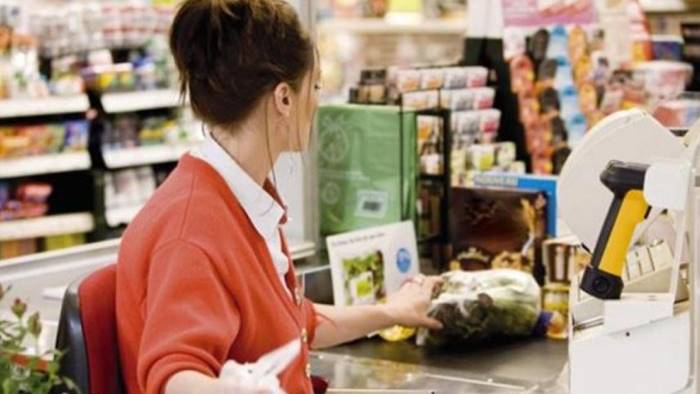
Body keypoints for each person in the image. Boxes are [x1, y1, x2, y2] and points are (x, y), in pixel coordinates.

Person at [115, 1, 443, 393]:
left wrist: (392, 312)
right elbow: (174, 375)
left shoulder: (240, 198)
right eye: (316, 86)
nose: (317, 101)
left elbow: (293, 322)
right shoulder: (191, 232)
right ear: (284, 98)